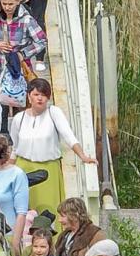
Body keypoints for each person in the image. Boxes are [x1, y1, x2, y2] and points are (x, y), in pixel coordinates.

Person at [9, 78, 94, 215]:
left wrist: (82, 156)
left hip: (48, 169)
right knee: (24, 209)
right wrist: (8, 169)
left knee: (49, 210)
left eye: (43, 95)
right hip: (23, 169)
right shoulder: (19, 118)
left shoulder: (54, 113)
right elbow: (15, 147)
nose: (40, 98)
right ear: (29, 96)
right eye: (36, 94)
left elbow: (69, 136)